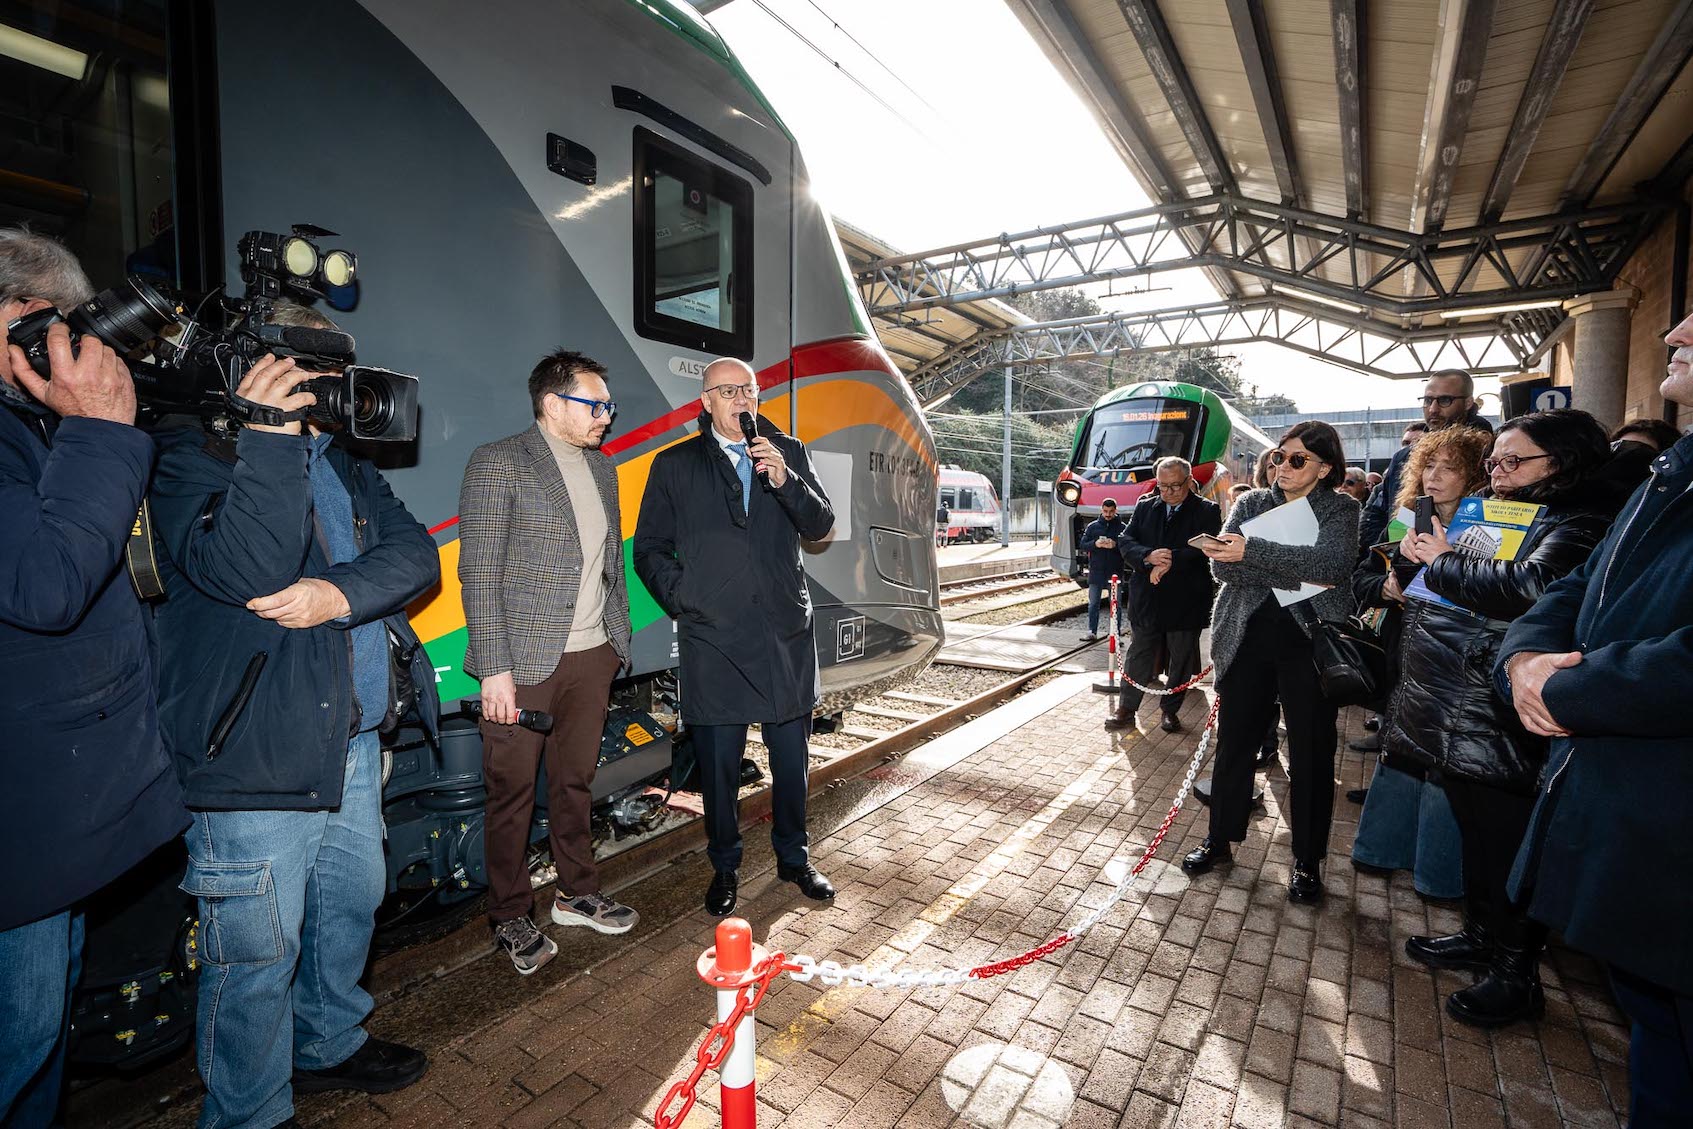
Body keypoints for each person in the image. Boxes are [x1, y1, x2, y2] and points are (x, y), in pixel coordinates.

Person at [150, 302, 439, 1127]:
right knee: (256, 952)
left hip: (350, 741)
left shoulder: (341, 462)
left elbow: (414, 554)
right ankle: (249, 1111)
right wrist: (269, 437)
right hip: (253, 750)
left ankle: (327, 1041)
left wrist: (336, 595)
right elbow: (246, 567)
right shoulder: (188, 454)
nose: (330, 387)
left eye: (334, 369)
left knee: (349, 906)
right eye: (310, 368)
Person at [0, 229, 186, 1127]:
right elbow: (48, 585)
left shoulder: (31, 428)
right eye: (45, 326)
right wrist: (102, 431)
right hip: (20, 828)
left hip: (47, 822)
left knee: (38, 1031)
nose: (64, 346)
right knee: (19, 1032)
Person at [1496, 314, 1693, 1121]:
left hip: (1669, 828)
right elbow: (1579, 587)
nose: (1676, 328)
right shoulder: (1671, 473)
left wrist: (1565, 690)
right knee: (1658, 1046)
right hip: (1643, 841)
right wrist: (1523, 659)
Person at [1385, 409, 1619, 1028]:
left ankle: (1516, 973)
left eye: (1514, 461)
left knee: (1507, 839)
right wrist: (1416, 559)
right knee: (1474, 827)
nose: (1498, 471)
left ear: (1560, 463)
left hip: (1499, 703)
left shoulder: (1581, 519)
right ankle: (1481, 935)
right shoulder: (1490, 510)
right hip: (1452, 693)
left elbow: (1531, 589)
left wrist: (1441, 560)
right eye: (1495, 460)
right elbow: (1448, 580)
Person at [634, 358, 835, 918]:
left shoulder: (787, 451)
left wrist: (785, 480)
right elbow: (649, 548)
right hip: (714, 637)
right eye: (727, 392)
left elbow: (820, 524)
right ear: (705, 402)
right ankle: (724, 866)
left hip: (782, 634)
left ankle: (794, 859)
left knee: (790, 759)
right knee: (719, 767)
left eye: (748, 390)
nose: (740, 400)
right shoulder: (675, 464)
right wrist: (687, 597)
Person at [458, 350, 637, 976]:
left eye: (608, 405)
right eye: (597, 405)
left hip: (592, 656)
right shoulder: (499, 461)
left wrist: (616, 643)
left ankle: (576, 893)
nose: (607, 416)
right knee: (510, 794)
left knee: (574, 784)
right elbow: (479, 571)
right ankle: (510, 915)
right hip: (522, 664)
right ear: (553, 404)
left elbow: (609, 562)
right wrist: (494, 668)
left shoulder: (604, 468)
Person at [1184, 422, 1360, 903]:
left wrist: (1254, 552)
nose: (1283, 466)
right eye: (1280, 456)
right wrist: (1290, 564)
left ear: (1324, 468)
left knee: (1311, 755)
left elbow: (1331, 566)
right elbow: (1221, 565)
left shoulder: (1341, 508)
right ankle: (1219, 838)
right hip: (1246, 639)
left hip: (1309, 644)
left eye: (1298, 459)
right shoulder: (1251, 503)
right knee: (1235, 745)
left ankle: (1306, 860)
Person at [1349, 425, 1493, 900]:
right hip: (1406, 656)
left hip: (1460, 664)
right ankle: (1381, 850)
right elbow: (1363, 579)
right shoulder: (1406, 519)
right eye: (1429, 465)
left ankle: (1437, 876)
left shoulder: (1496, 526)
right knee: (1401, 750)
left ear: (1475, 475)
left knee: (1445, 766)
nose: (1434, 476)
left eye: (1450, 467)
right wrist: (1386, 587)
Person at [1104, 459, 1220, 734]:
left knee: (1181, 658)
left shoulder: (1207, 510)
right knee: (1138, 653)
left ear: (1189, 481)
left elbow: (1205, 549)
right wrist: (1148, 557)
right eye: (1162, 486)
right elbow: (1126, 540)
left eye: (1175, 486)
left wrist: (1168, 561)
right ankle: (1126, 708)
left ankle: (1170, 710)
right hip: (1148, 598)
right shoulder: (1146, 506)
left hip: (1186, 599)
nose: (1167, 492)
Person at [1360, 371, 1490, 547]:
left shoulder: (1490, 455)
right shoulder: (1403, 457)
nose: (1433, 409)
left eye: (1445, 400)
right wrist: (1386, 556)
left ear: (1468, 402)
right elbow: (1378, 511)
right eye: (1428, 400)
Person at [1079, 497, 1127, 642]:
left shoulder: (1123, 528)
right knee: (1093, 603)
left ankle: (1116, 634)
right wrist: (1095, 544)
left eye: (1111, 512)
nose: (1108, 514)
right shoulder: (1093, 527)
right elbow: (1083, 544)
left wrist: (1115, 545)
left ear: (1115, 511)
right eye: (1105, 511)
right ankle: (1092, 631)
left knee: (1116, 605)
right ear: (1101, 510)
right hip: (1096, 572)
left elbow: (1128, 548)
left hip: (1115, 573)